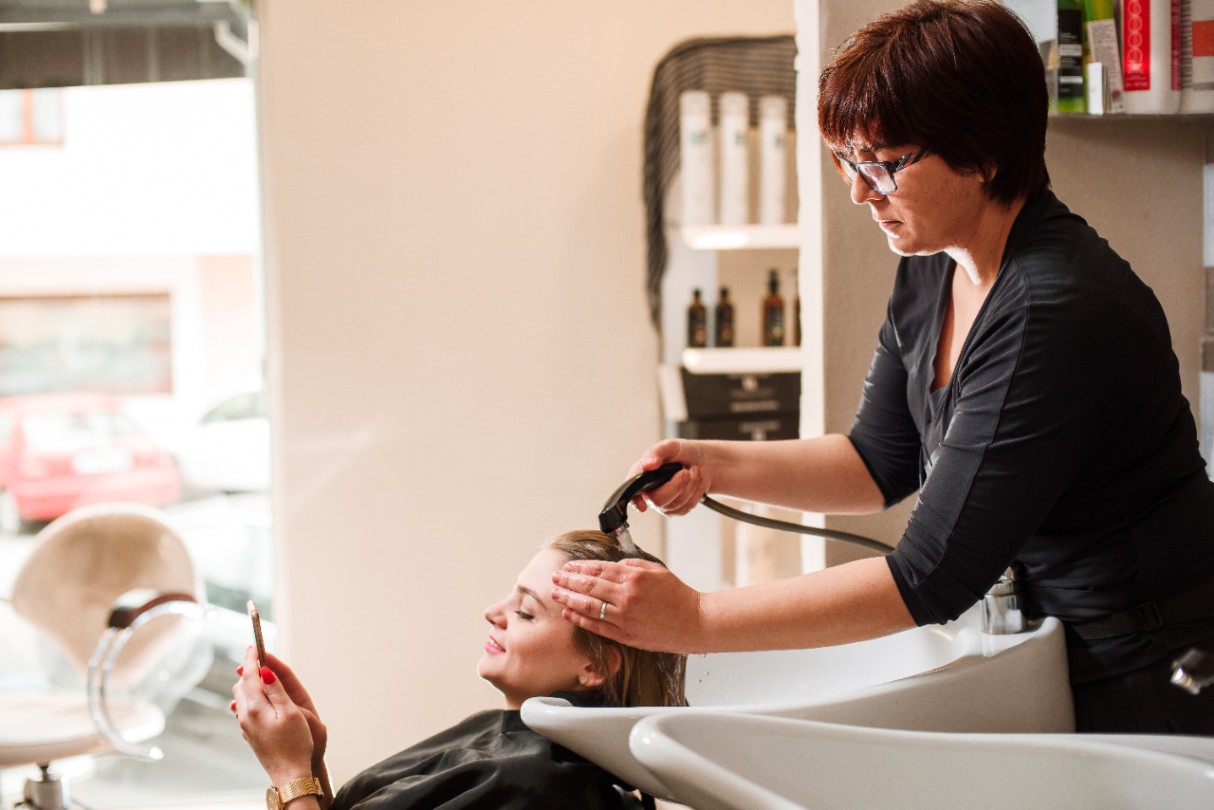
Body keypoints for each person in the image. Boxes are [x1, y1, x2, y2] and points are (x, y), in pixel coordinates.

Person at [551, 0, 1214, 735]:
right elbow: (877, 461)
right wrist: (714, 463)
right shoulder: (935, 263)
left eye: (885, 164)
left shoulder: (1052, 310)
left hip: (1158, 670)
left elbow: (932, 576)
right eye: (849, 162)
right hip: (1060, 648)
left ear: (985, 152)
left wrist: (696, 619)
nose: (863, 192)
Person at [232, 531, 687, 809]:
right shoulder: (500, 738)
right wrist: (311, 760)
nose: (493, 612)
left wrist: (288, 773)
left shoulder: (533, 789)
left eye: (526, 612)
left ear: (595, 666)